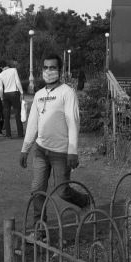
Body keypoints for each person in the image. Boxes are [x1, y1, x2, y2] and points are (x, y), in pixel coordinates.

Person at [20, 53, 86, 228]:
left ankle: (85, 202)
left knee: (63, 191)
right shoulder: (39, 95)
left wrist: (73, 151)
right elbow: (33, 123)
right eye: (46, 67)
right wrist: (25, 149)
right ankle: (39, 229)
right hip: (41, 151)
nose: (49, 71)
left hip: (61, 152)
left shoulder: (67, 92)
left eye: (53, 67)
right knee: (37, 191)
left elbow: (73, 122)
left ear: (60, 70)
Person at [0, 60, 24, 138]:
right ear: (7, 64)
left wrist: (1, 97)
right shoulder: (13, 70)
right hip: (14, 93)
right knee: (17, 114)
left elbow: (0, 89)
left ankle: (8, 134)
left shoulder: (0, 75)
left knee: (6, 115)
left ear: (1, 67)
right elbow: (17, 82)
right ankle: (20, 133)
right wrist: (22, 92)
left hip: (6, 95)